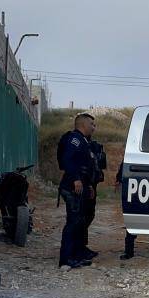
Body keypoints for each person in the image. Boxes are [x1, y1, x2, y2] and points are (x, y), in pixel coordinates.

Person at [58, 112, 97, 269]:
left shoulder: (84, 141)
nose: (94, 128)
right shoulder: (74, 139)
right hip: (72, 187)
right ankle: (66, 259)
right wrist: (75, 178)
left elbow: (85, 167)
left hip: (81, 187)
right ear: (82, 124)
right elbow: (68, 159)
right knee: (73, 223)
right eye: (91, 125)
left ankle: (77, 254)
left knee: (80, 221)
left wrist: (88, 185)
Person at [81, 138, 106, 259]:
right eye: (91, 124)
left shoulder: (94, 146)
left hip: (92, 184)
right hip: (85, 185)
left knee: (89, 215)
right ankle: (78, 247)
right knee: (82, 217)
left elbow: (101, 165)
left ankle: (81, 246)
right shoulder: (81, 144)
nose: (93, 127)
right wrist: (88, 184)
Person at [115, 161, 136, 260]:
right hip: (133, 187)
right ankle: (129, 251)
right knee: (131, 222)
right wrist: (119, 178)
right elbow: (125, 164)